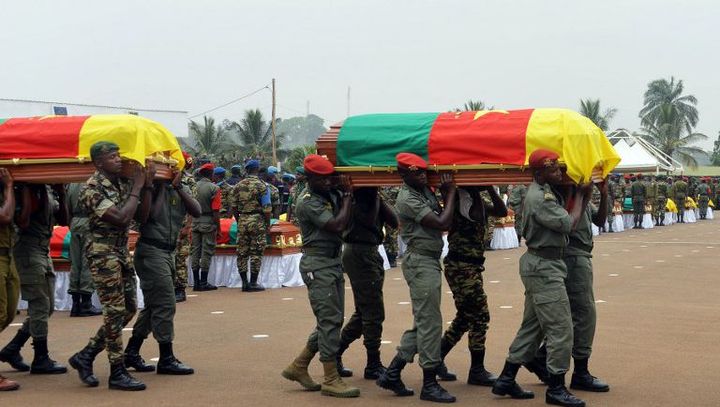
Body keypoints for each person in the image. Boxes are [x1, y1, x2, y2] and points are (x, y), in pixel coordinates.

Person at [492, 149, 588, 407]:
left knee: (532, 327)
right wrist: (581, 194)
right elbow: (568, 223)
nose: (559, 171)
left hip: (543, 264)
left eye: (559, 167)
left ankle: (506, 377)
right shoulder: (541, 198)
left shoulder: (545, 191)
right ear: (538, 172)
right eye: (553, 168)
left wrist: (569, 186)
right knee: (561, 328)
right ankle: (556, 388)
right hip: (544, 267)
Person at [68, 141, 152, 391]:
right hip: (102, 254)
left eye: (118, 155)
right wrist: (138, 187)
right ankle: (117, 371)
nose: (118, 159)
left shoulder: (122, 183)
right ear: (98, 163)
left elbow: (142, 217)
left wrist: (145, 187)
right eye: (112, 156)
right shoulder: (91, 189)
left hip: (119, 252)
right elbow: (120, 218)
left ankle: (86, 354)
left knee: (128, 309)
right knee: (114, 311)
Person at [376, 152, 458, 403]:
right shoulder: (408, 198)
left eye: (424, 171)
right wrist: (451, 192)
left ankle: (393, 372)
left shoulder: (423, 191)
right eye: (416, 172)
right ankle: (429, 384)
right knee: (430, 323)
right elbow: (443, 222)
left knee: (424, 321)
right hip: (420, 261)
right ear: (403, 175)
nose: (422, 175)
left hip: (429, 260)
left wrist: (444, 193)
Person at [281, 154, 359, 398]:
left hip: (332, 261)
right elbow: (337, 225)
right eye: (322, 179)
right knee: (329, 321)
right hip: (318, 263)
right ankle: (331, 379)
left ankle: (299, 366)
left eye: (330, 178)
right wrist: (346, 195)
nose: (328, 182)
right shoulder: (308, 201)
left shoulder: (328, 193)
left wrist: (342, 189)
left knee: (332, 319)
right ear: (309, 178)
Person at [123, 168, 200, 376]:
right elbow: (150, 216)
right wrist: (159, 188)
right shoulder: (147, 189)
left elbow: (196, 210)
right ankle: (166, 358)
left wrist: (177, 188)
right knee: (166, 303)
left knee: (153, 306)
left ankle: (131, 351)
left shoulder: (178, 188)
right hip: (151, 252)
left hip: (168, 253)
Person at [439, 185, 507, 387]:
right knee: (479, 316)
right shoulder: (462, 198)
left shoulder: (472, 197)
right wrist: (479, 189)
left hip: (470, 266)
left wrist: (490, 189)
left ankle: (436, 359)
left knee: (465, 317)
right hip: (462, 267)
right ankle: (476, 370)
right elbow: (477, 215)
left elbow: (501, 212)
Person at [0, 183, 67, 376]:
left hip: (43, 249)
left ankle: (12, 349)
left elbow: (64, 220)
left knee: (49, 307)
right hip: (27, 250)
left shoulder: (47, 188)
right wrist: (28, 189)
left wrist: (61, 192)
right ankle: (40, 358)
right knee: (39, 305)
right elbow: (22, 222)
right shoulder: (21, 190)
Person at [335, 187, 398, 380]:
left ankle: (334, 354)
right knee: (373, 312)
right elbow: (370, 221)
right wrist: (374, 196)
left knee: (365, 312)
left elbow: (395, 222)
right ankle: (372, 363)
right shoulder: (354, 199)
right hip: (359, 252)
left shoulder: (371, 196)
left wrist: (377, 194)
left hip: (369, 252)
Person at [561, 179, 611, 393]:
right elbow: (570, 224)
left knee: (573, 314)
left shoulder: (580, 198)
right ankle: (580, 372)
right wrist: (582, 194)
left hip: (581, 255)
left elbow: (600, 221)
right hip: (573, 256)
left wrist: (604, 194)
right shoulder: (568, 199)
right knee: (584, 314)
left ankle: (541, 356)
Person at [230, 159, 271, 292]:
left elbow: (234, 207)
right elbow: (267, 208)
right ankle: (253, 283)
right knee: (256, 251)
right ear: (257, 169)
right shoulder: (262, 186)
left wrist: (239, 219)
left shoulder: (238, 186)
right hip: (257, 220)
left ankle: (244, 283)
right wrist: (267, 224)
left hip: (242, 219)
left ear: (246, 170)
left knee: (242, 252)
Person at [66, 182, 102, 317]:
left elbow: (67, 206)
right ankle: (86, 303)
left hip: (75, 222)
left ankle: (75, 304)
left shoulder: (72, 183)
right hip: (90, 222)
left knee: (75, 264)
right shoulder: (94, 182)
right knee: (88, 262)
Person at [0, 169, 20, 391]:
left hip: (8, 254)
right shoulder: (5, 188)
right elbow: (5, 217)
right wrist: (8, 185)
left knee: (8, 313)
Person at [190, 163, 221, 291]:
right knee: (206, 251)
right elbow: (216, 210)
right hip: (208, 221)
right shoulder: (214, 188)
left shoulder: (194, 187)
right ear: (211, 174)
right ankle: (203, 282)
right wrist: (218, 227)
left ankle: (196, 282)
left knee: (195, 251)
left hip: (195, 221)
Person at [174, 152, 197, 302]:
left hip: (182, 223)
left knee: (181, 257)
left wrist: (188, 226)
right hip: (168, 224)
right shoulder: (164, 178)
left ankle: (180, 289)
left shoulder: (188, 180)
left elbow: (193, 204)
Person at [380, 187, 400, 267]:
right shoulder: (380, 188)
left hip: (393, 214)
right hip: (382, 214)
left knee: (392, 237)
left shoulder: (396, 187)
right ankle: (385, 257)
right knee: (383, 236)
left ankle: (392, 257)